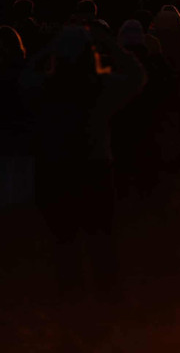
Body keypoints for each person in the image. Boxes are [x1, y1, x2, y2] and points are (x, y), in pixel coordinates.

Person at [22, 24, 146, 299]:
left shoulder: (46, 89)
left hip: (57, 167)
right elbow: (137, 77)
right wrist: (111, 45)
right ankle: (106, 293)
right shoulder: (100, 87)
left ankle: (71, 295)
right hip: (94, 166)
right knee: (100, 235)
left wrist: (48, 50)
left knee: (64, 238)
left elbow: (25, 78)